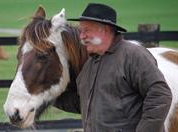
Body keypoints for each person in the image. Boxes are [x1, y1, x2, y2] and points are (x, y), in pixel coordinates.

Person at [55, 3, 172, 132]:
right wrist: (51, 97)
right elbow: (84, 103)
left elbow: (160, 95)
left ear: (105, 30)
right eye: (81, 31)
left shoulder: (133, 55)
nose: (81, 36)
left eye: (87, 30)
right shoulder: (90, 65)